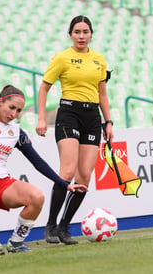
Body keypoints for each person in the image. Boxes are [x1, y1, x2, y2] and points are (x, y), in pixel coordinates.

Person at [0, 85, 88, 258]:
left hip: (2, 184)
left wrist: (64, 184)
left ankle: (16, 242)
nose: (14, 114)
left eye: (18, 110)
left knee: (37, 197)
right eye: (11, 108)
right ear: (1, 102)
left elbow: (37, 162)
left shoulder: (17, 131)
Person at [35, 15, 114, 245]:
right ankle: (50, 225)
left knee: (85, 176)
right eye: (77, 32)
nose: (81, 36)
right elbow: (43, 90)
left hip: (92, 117)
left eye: (85, 32)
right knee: (67, 171)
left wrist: (108, 122)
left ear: (91, 34)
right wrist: (41, 118)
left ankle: (63, 227)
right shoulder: (62, 58)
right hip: (69, 114)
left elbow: (102, 94)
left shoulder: (99, 59)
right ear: (70, 34)